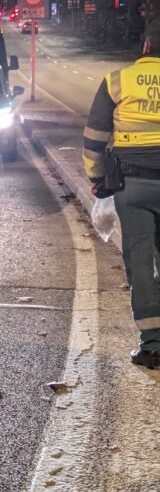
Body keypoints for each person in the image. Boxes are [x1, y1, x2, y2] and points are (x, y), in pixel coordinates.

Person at [83, 19, 160, 370]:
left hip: (133, 185)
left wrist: (97, 179)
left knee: (140, 260)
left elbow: (94, 138)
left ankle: (153, 345)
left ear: (144, 48)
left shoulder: (118, 80)